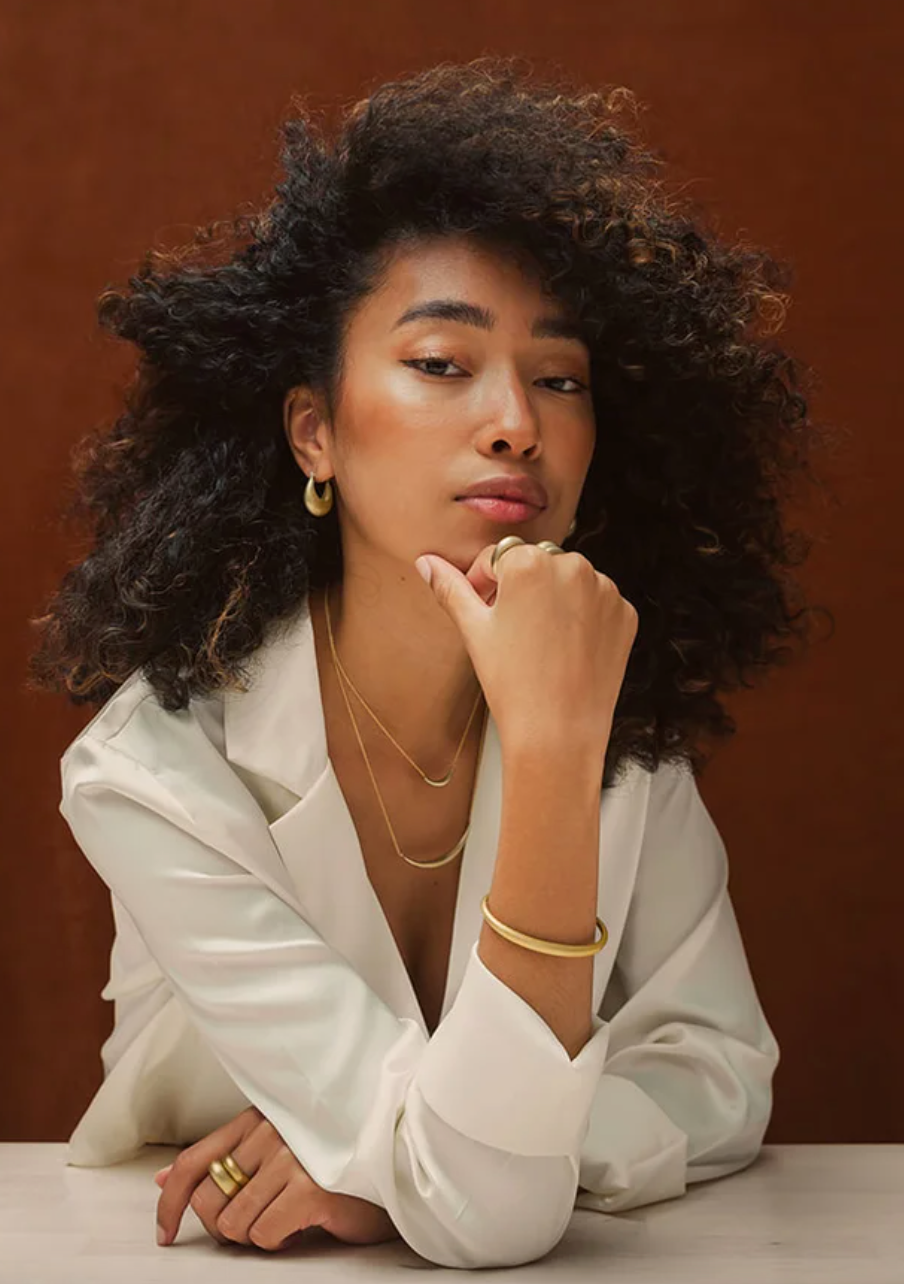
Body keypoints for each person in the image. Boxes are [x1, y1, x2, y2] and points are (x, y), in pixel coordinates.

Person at [29, 56, 833, 1270]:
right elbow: (491, 1210)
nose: (515, 418)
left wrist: (397, 1162)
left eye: (559, 379)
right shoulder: (153, 770)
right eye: (441, 364)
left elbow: (715, 1075)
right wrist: (449, 1164)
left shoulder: (600, 710)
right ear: (317, 431)